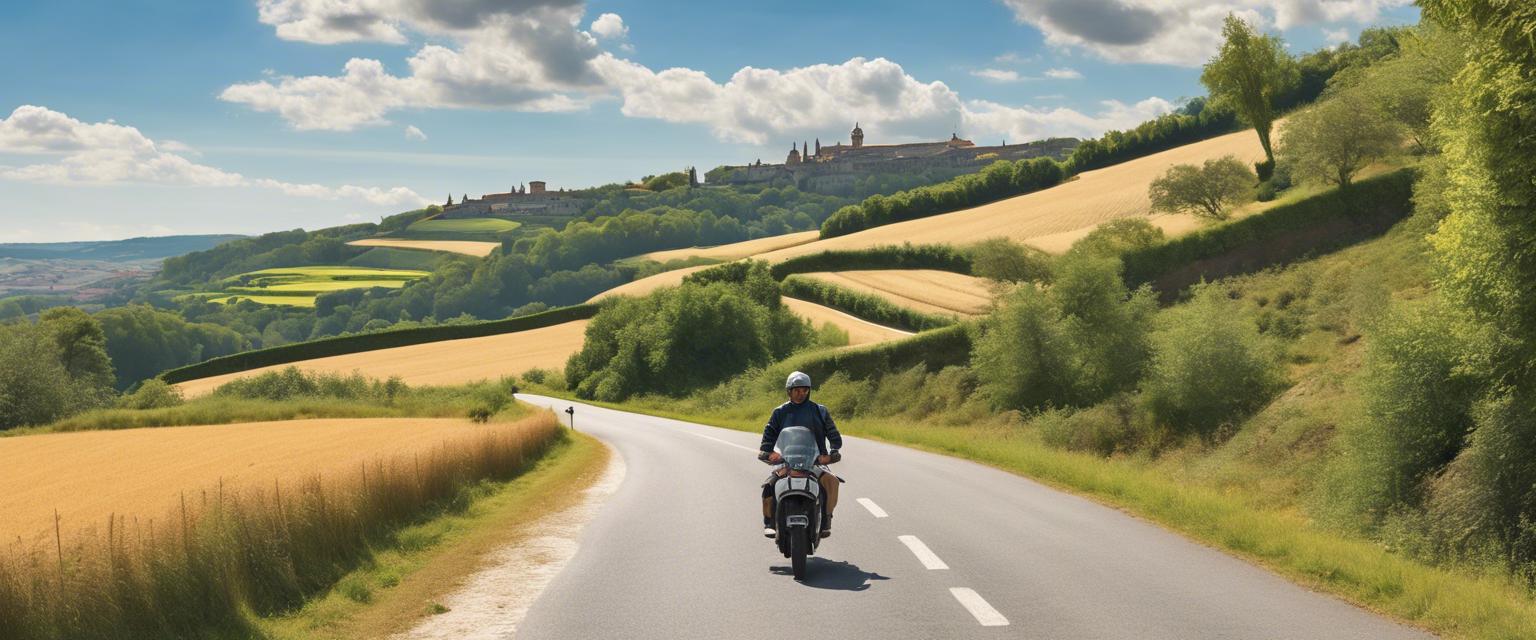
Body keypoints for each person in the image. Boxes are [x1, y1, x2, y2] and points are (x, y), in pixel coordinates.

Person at [758, 370, 842, 539]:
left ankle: (826, 519)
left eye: (804, 390)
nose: (801, 394)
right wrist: (768, 452)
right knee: (769, 485)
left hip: (814, 461)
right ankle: (769, 523)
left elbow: (833, 435)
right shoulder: (779, 412)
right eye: (796, 390)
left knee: (831, 481)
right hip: (786, 461)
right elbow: (769, 434)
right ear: (789, 391)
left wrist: (832, 452)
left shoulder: (820, 411)